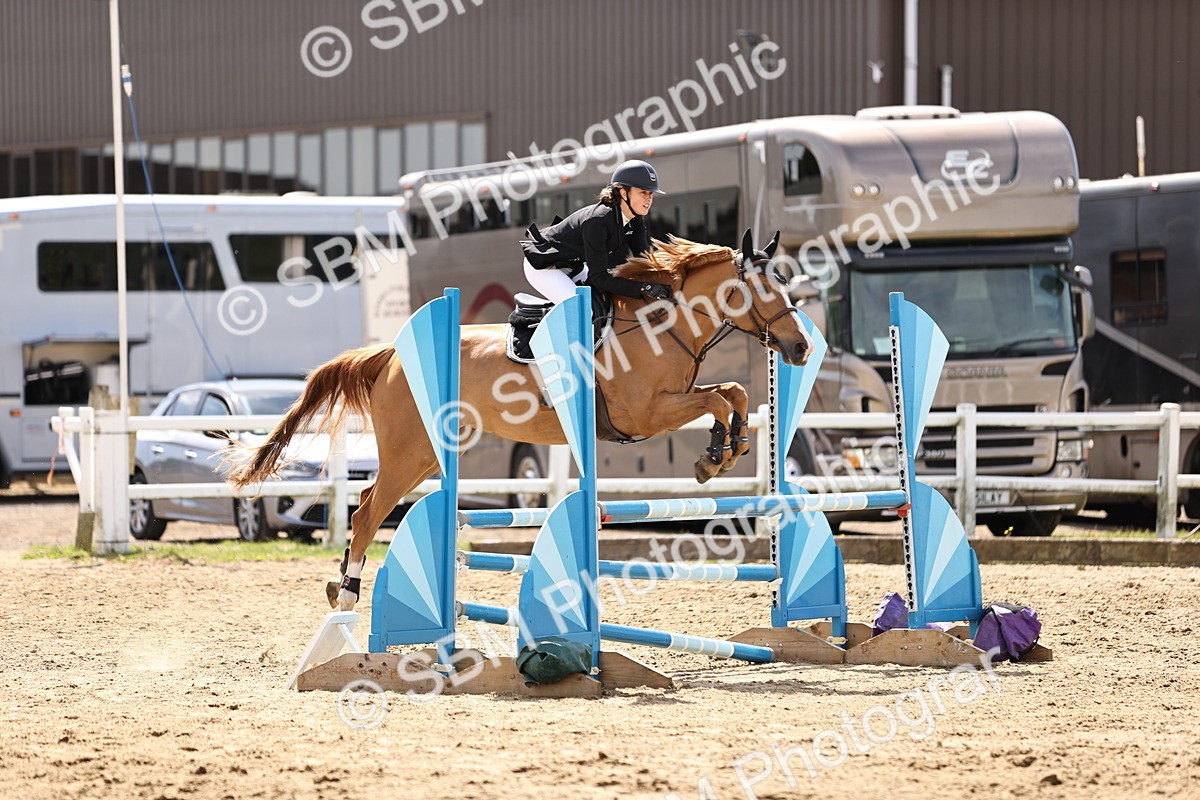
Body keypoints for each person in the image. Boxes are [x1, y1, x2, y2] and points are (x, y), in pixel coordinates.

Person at [520, 159, 674, 304]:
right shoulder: (598, 221)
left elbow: (645, 261)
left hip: (572, 265)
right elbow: (600, 278)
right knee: (583, 311)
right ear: (623, 192)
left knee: (605, 303)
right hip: (543, 266)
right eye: (643, 192)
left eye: (651, 194)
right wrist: (644, 288)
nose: (649, 199)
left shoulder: (635, 221)